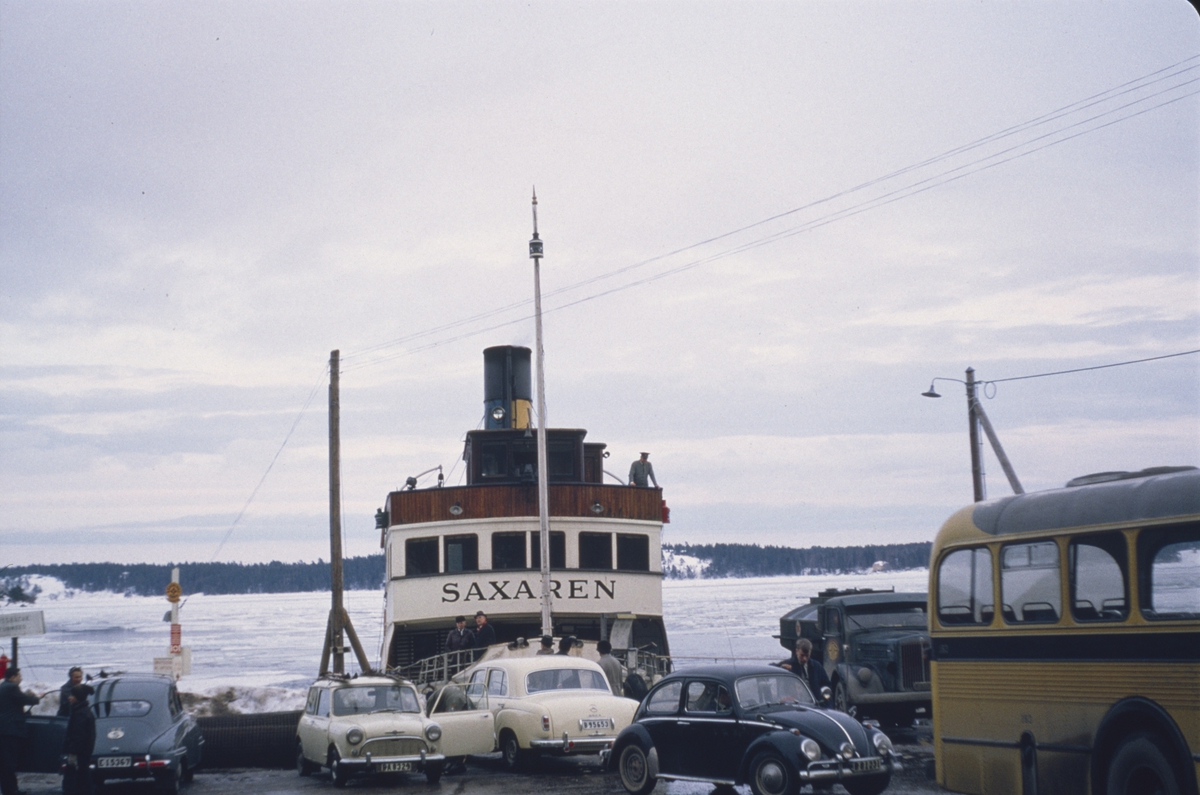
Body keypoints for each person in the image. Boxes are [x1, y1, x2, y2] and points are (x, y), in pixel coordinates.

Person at [0, 667, 42, 795]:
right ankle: (10, 790)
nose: (21, 678)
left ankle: (10, 789)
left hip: (4, 729)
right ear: (13, 677)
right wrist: (37, 697)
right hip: (10, 730)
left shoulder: (3, 686)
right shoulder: (12, 687)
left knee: (5, 762)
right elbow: (25, 700)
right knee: (9, 763)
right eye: (19, 676)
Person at [62, 684, 95, 795]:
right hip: (83, 754)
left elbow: (78, 737)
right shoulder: (82, 711)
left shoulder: (80, 714)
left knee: (75, 782)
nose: (69, 697)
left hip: (78, 754)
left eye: (72, 695)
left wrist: (72, 753)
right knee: (83, 779)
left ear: (78, 697)